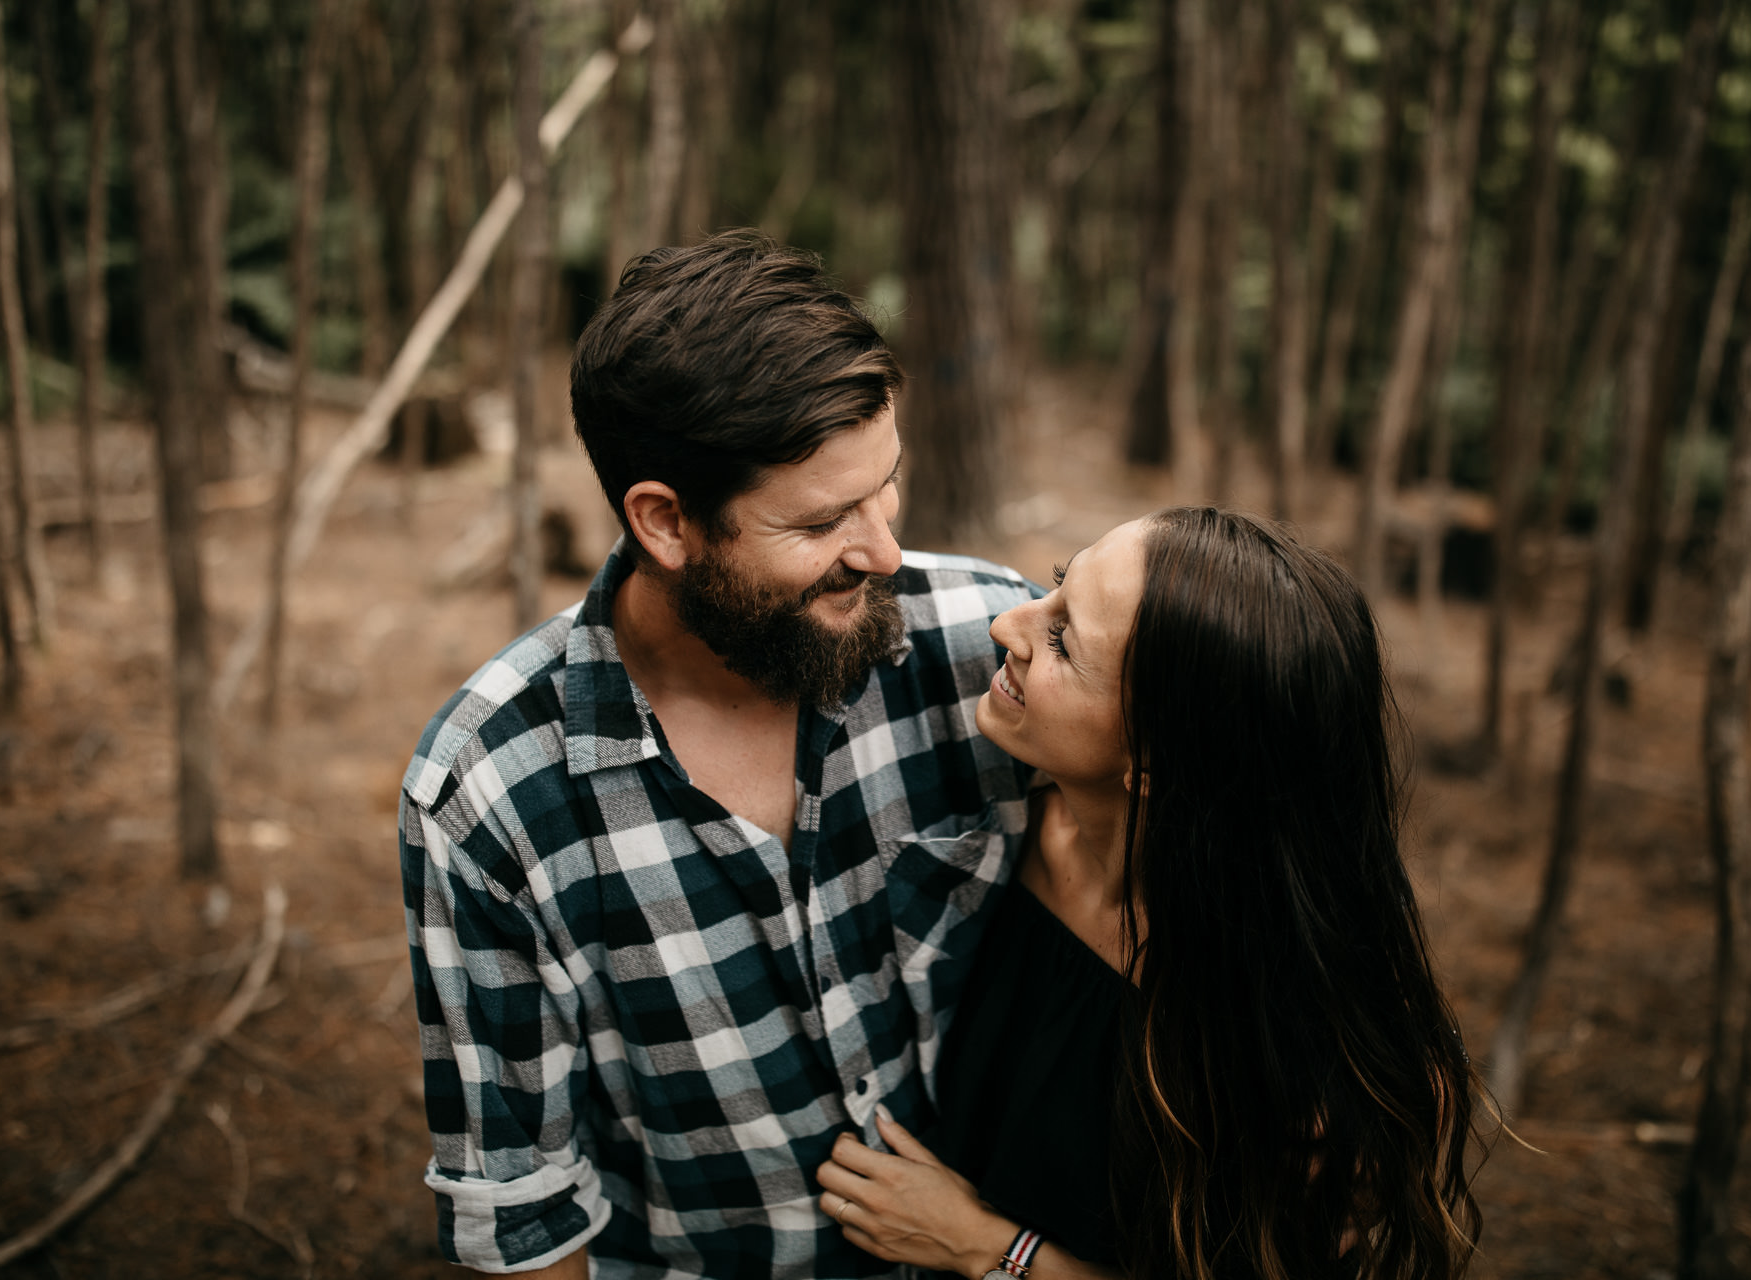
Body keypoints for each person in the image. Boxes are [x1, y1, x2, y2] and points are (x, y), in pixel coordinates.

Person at [399, 231, 1041, 1278]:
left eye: (887, 485)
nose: (883, 548)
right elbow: (525, 1213)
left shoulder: (991, 647)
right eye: (825, 517)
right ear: (665, 520)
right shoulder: (493, 788)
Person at [814, 507, 1487, 1280]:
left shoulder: (1305, 1055)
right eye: (1060, 586)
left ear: (1160, 764)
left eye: (1064, 640)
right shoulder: (1007, 822)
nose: (1009, 624)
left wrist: (986, 1248)